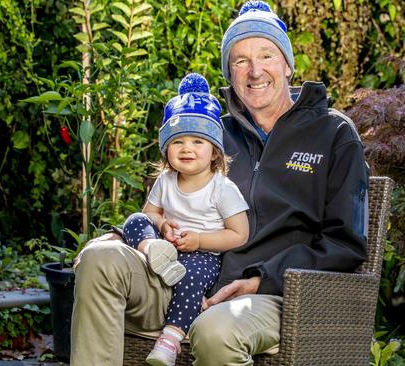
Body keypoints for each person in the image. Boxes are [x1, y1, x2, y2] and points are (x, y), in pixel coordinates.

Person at [70, 1, 369, 365]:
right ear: (229, 72)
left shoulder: (333, 134)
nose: (255, 71)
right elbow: (163, 205)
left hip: (274, 294)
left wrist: (261, 279)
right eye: (240, 60)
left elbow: (345, 244)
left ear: (288, 65)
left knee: (215, 330)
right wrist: (121, 235)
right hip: (183, 278)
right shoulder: (212, 136)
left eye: (266, 55)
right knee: (99, 258)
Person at [120, 73, 249, 366]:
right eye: (177, 141)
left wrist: (200, 240)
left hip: (201, 254)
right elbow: (150, 213)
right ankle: (153, 252)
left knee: (192, 277)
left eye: (197, 141)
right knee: (135, 220)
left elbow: (240, 234)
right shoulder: (166, 180)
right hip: (166, 246)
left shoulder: (222, 188)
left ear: (214, 150)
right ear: (167, 149)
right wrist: (163, 226)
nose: (187, 148)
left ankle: (170, 339)